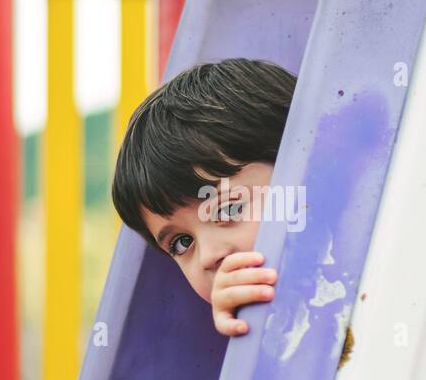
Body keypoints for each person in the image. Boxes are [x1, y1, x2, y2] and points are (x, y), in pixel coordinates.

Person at [112, 58, 296, 336]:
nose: (208, 256)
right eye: (182, 243)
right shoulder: (238, 329)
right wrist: (253, 330)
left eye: (228, 210)